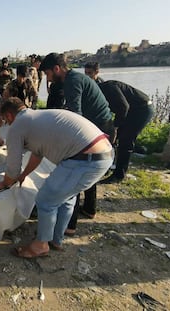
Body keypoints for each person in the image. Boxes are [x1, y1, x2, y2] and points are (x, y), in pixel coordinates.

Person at [0, 97, 113, 257]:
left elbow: (12, 165)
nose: (7, 123)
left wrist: (6, 182)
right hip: (103, 154)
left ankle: (40, 245)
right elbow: (37, 155)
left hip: (85, 160)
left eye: (5, 120)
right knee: (65, 199)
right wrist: (24, 175)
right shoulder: (37, 118)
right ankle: (56, 240)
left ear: (9, 115)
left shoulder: (18, 125)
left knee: (45, 200)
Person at [40, 53, 114, 236]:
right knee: (88, 172)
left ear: (57, 69)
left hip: (96, 128)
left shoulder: (72, 82)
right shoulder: (74, 78)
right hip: (100, 125)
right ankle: (89, 209)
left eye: (47, 73)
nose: (47, 78)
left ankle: (70, 225)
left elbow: (76, 117)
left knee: (76, 173)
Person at [99, 80, 154, 183]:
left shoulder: (110, 88)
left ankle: (119, 175)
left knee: (125, 141)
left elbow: (124, 107)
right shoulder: (101, 91)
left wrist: (115, 127)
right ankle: (108, 167)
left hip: (142, 109)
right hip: (131, 110)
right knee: (114, 139)